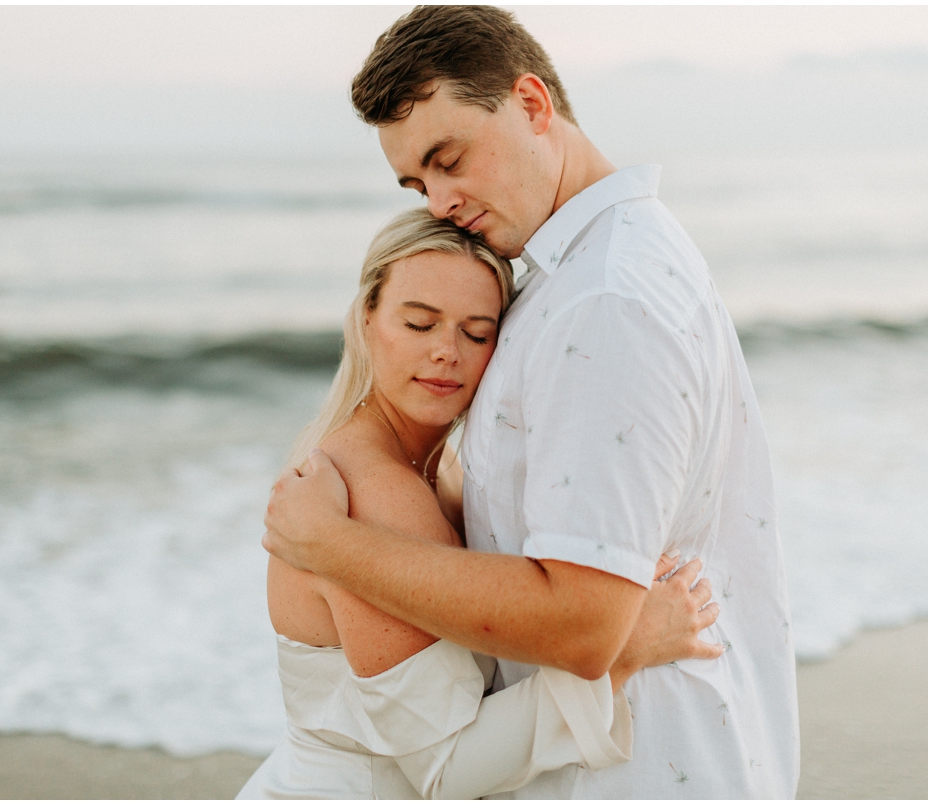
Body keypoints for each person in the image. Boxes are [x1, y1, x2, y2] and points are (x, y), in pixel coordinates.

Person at [263, 5, 800, 798]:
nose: (439, 200)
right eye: (417, 182)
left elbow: (588, 622)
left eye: (449, 158)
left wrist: (330, 546)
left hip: (642, 769)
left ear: (534, 105)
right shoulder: (578, 273)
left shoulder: (604, 300)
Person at [239, 209, 723, 799]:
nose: (447, 352)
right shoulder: (377, 493)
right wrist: (624, 650)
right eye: (419, 324)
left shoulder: (441, 471)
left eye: (476, 333)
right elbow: (448, 772)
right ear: (366, 320)